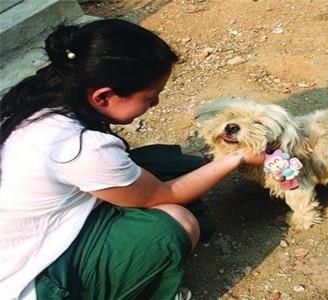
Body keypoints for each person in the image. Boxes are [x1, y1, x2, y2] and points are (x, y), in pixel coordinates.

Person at [0, 19, 265, 300]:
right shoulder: (78, 147)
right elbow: (166, 193)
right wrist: (236, 157)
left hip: (27, 242)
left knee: (159, 163)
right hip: (30, 281)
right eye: (150, 97)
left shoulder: (37, 98)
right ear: (103, 96)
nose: (156, 104)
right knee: (174, 223)